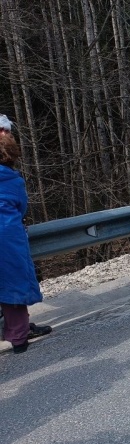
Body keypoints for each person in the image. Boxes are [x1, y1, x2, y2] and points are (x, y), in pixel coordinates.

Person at [0, 115, 46, 354]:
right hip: (7, 234)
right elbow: (21, 207)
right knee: (13, 286)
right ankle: (19, 338)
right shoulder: (11, 179)